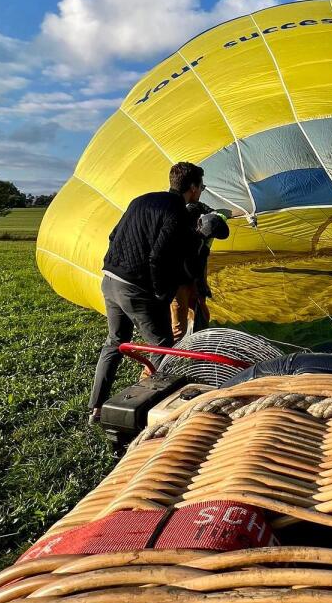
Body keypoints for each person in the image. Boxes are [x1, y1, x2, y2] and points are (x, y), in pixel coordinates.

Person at [88, 161, 206, 424]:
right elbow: (158, 256)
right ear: (194, 188)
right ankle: (149, 409)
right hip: (135, 287)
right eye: (202, 187)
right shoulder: (177, 211)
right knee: (162, 345)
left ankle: (95, 407)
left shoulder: (140, 200)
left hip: (109, 279)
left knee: (115, 342)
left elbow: (113, 235)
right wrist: (160, 293)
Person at [170, 204, 230, 341]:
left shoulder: (211, 226)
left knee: (202, 313)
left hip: (191, 277)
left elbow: (202, 259)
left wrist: (202, 286)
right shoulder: (182, 232)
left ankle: (198, 342)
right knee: (178, 328)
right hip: (176, 281)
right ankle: (165, 358)